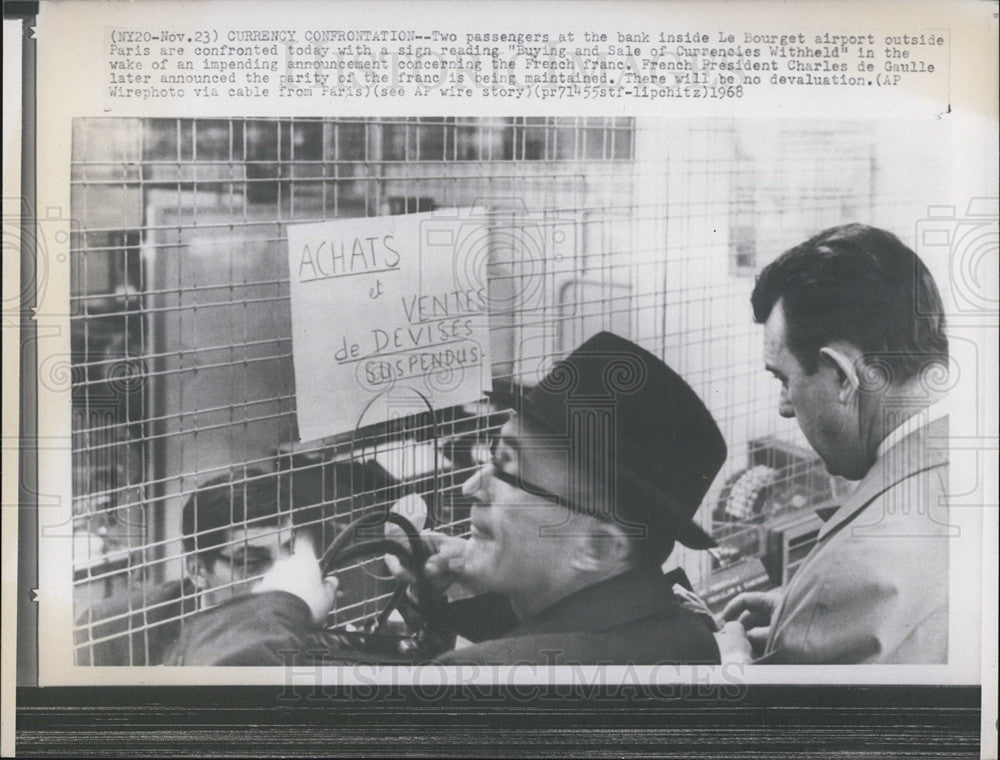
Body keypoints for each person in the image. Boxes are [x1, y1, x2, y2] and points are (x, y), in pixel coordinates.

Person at [164, 331, 729, 666]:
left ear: (596, 544)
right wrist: (468, 591)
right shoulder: (685, 632)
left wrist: (278, 603)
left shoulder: (478, 679)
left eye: (506, 469)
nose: (469, 486)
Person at [721, 223, 951, 664]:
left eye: (784, 379)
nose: (785, 407)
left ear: (842, 377)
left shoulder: (854, 571)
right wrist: (809, 616)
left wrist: (733, 664)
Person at [74, 469, 292, 665]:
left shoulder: (308, 613)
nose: (280, 577)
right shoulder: (108, 632)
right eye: (252, 562)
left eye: (290, 553)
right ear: (197, 570)